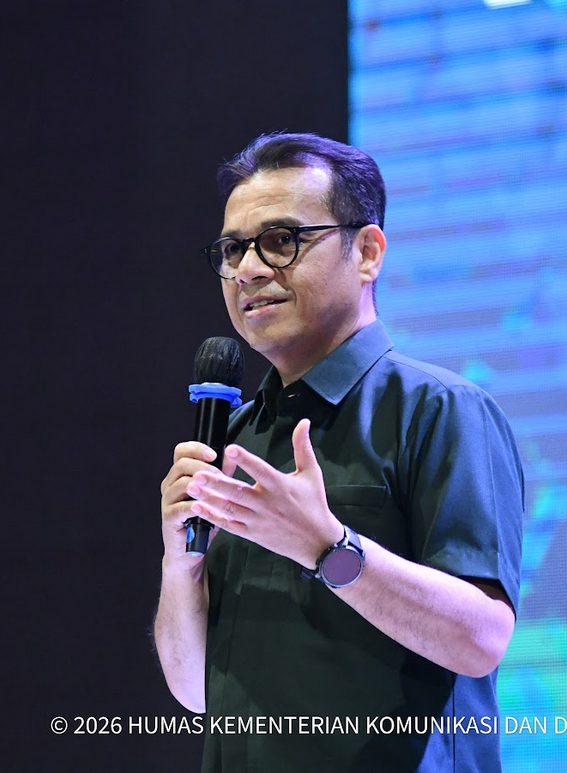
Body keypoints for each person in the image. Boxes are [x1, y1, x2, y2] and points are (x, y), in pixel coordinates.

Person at [153, 132, 524, 772]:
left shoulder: (440, 410)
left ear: (368, 252)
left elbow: (480, 639)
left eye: (281, 240)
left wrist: (328, 549)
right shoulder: (232, 441)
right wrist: (179, 565)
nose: (249, 270)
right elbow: (195, 692)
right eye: (233, 249)